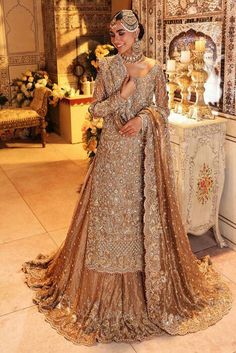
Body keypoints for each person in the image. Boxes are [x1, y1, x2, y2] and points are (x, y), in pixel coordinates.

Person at [22, 10, 232, 346]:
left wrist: (144, 120)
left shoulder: (155, 68)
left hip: (140, 156)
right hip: (112, 154)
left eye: (121, 33)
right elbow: (95, 110)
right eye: (113, 34)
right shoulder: (107, 67)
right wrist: (120, 96)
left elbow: (162, 110)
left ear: (136, 33)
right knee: (108, 217)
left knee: (136, 215)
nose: (116, 40)